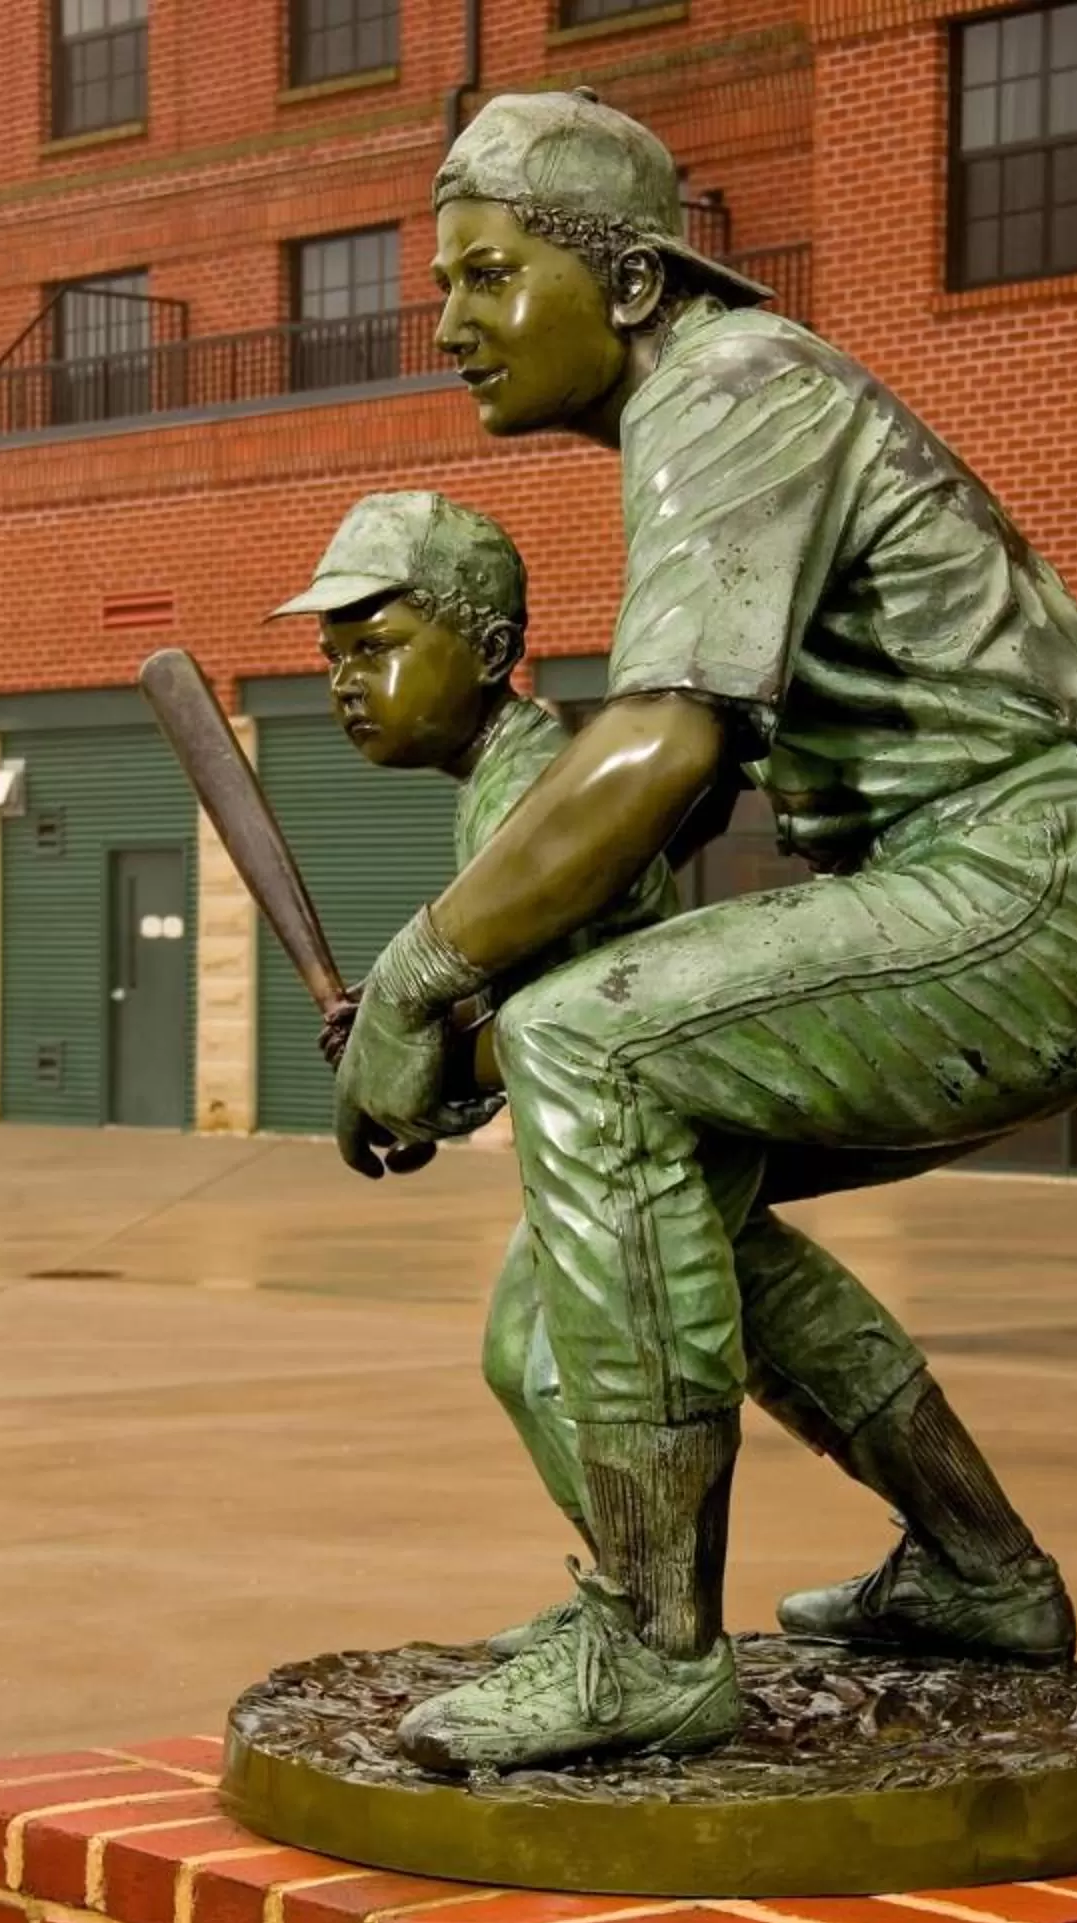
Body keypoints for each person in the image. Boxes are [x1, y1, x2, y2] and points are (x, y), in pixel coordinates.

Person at [331, 90, 1077, 1775]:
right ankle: (980, 1569)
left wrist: (432, 976)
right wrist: (444, 1015)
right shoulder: (714, 416)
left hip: (1028, 884)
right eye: (443, 286)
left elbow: (663, 751)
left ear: (637, 285)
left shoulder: (730, 387)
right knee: (638, 1230)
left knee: (597, 1049)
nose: (450, 326)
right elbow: (657, 810)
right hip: (975, 881)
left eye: (491, 277)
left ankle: (652, 1649)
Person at [269, 490, 673, 1637]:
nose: (346, 681)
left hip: (649, 1122)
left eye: (380, 648)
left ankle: (650, 1626)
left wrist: (428, 1053)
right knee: (782, 1344)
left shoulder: (538, 782)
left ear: (493, 651)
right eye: (332, 655)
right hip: (603, 1121)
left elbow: (576, 996)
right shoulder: (502, 780)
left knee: (548, 1366)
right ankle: (982, 1563)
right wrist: (415, 1032)